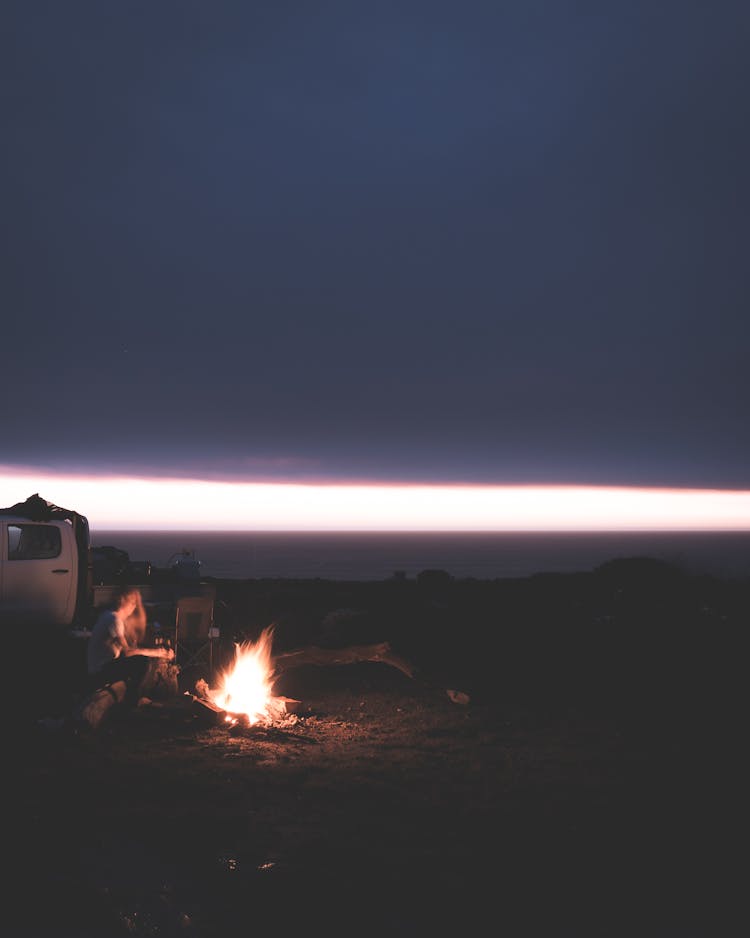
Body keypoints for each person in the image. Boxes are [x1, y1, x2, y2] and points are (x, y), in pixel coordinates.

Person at [86, 586, 174, 703]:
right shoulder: (113, 619)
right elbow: (127, 652)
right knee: (142, 662)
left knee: (140, 660)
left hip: (100, 668)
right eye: (133, 603)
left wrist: (154, 651)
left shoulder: (109, 616)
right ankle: (134, 700)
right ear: (123, 601)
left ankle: (133, 697)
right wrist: (157, 653)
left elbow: (131, 648)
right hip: (99, 672)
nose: (134, 606)